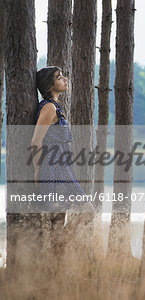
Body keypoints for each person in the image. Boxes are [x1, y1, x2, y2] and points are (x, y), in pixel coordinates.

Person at [31, 66, 95, 221]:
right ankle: (63, 243)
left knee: (58, 220)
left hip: (62, 167)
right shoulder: (49, 107)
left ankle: (61, 245)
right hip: (53, 169)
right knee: (87, 211)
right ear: (49, 85)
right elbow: (36, 140)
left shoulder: (54, 106)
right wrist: (37, 171)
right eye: (59, 77)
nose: (65, 79)